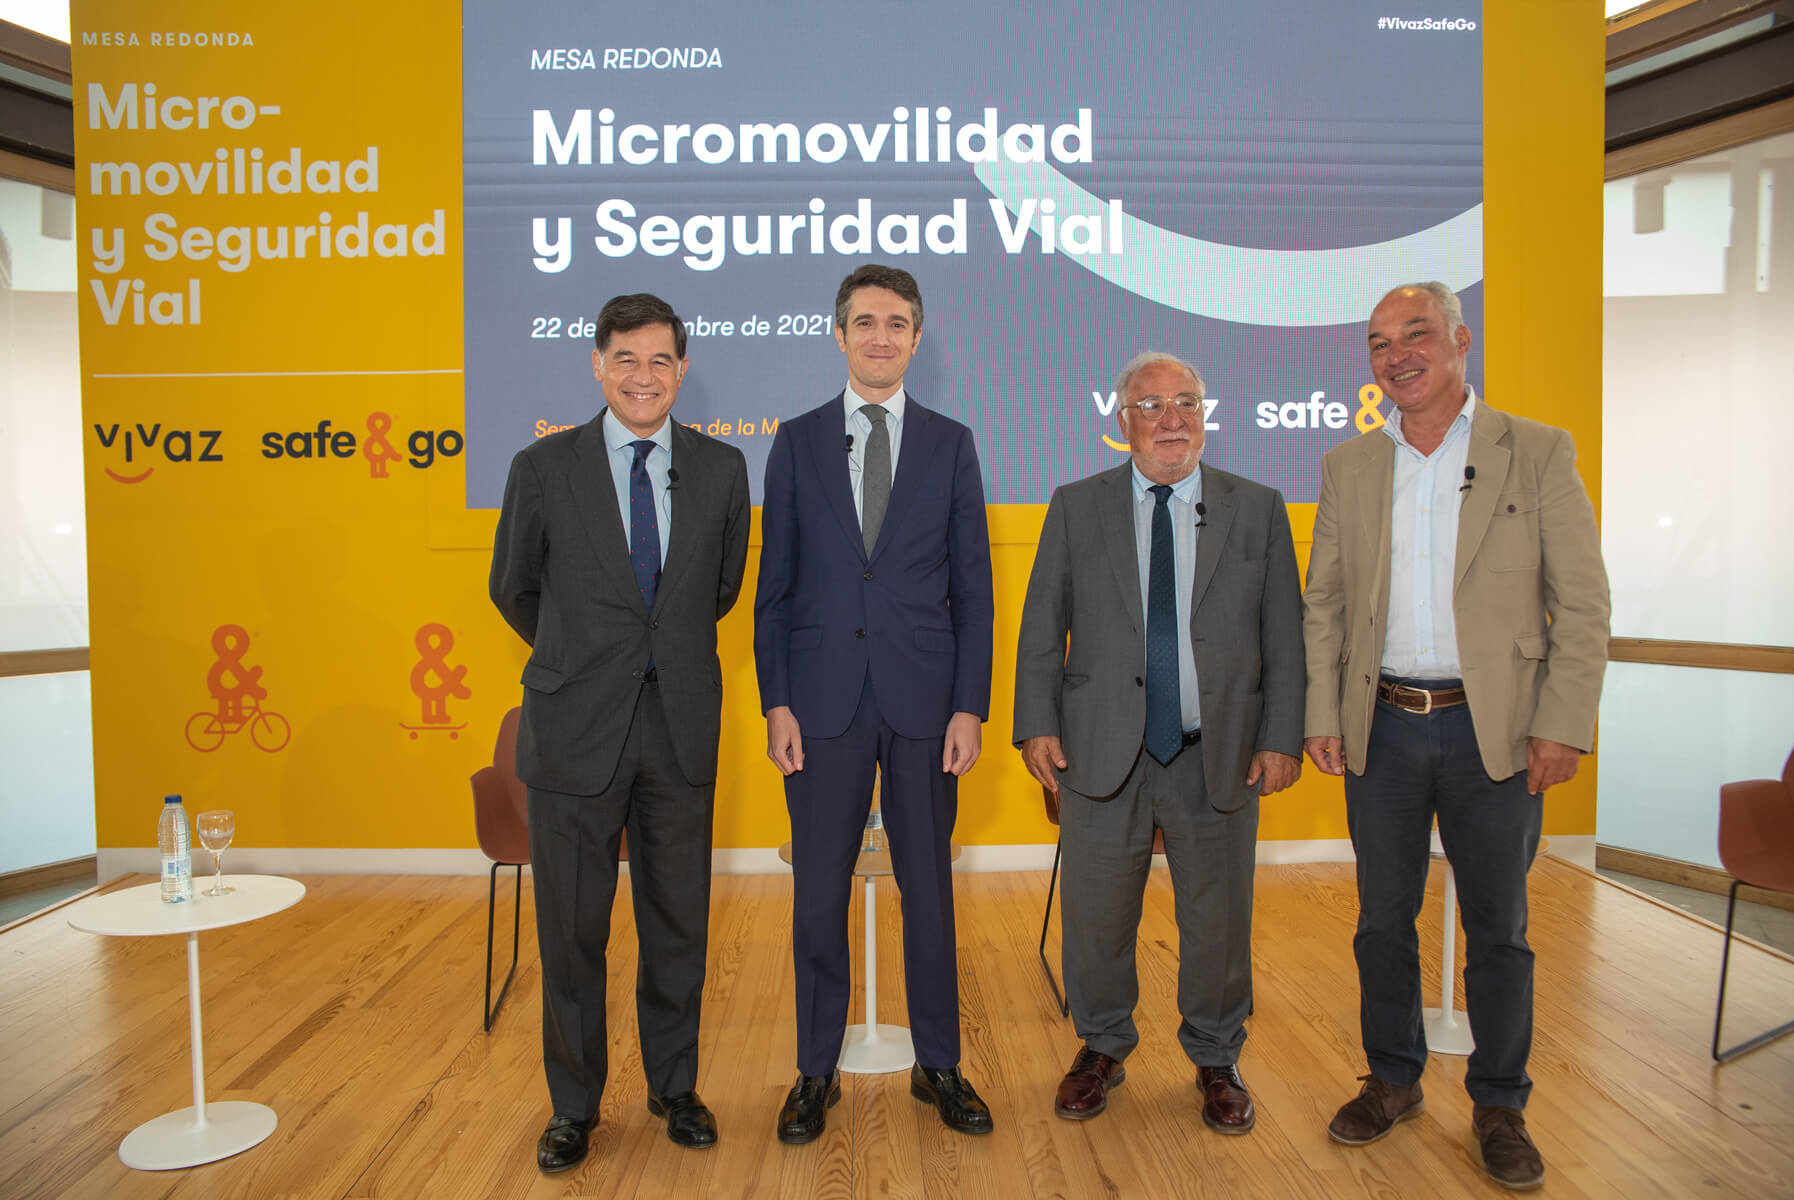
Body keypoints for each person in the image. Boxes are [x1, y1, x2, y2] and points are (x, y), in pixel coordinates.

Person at [1302, 282, 1610, 1191]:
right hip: (1385, 730)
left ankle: (1500, 1104)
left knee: (1499, 929)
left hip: (1498, 733)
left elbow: (1582, 603)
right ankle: (1393, 1079)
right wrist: (1322, 714)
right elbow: (1324, 605)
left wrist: (1562, 722)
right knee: (1380, 921)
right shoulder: (1349, 466)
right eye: (1378, 342)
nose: (1396, 355)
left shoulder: (1536, 451)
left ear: (1460, 341)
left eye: (1416, 334)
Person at [489, 292, 751, 1173]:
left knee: (678, 924)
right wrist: (581, 657)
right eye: (627, 360)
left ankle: (675, 1088)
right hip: (573, 730)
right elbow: (514, 587)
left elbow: (718, 591)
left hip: (679, 728)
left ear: (683, 370)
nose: (644, 377)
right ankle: (574, 1107)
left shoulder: (722, 469)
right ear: (598, 367)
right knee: (571, 932)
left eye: (660, 361)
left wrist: (650, 655)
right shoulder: (542, 467)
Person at [1013, 350, 1304, 1134]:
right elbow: (1042, 626)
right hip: (1099, 749)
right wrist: (1036, 724)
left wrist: (1282, 735)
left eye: (1186, 403)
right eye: (1151, 405)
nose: (1171, 419)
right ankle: (1102, 1046)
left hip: (1220, 750)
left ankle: (1216, 1056)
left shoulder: (1258, 507)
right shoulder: (1077, 506)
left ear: (1203, 416)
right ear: (1123, 421)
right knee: (1096, 913)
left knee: (1219, 918)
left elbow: (1285, 634)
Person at [754, 263, 995, 1143]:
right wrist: (777, 702)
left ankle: (940, 1065)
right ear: (840, 334)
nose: (881, 337)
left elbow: (974, 588)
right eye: (865, 322)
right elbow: (774, 589)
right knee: (818, 896)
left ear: (917, 338)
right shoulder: (796, 441)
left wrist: (969, 706)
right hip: (820, 705)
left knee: (928, 893)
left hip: (927, 704)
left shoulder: (952, 443)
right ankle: (814, 1072)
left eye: (897, 323)